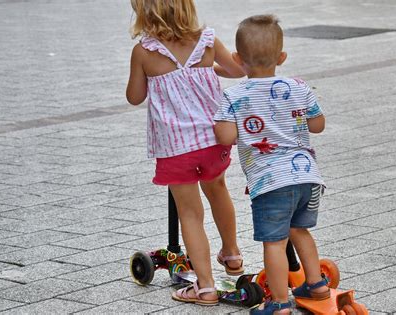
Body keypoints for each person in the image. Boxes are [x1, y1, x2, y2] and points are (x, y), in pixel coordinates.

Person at [126, 0, 246, 306]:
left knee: (190, 213)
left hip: (176, 148)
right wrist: (207, 67)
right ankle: (232, 255)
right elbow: (236, 69)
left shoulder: (144, 51)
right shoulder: (206, 39)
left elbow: (134, 96)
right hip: (213, 139)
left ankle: (204, 287)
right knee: (218, 190)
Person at [214, 15, 330, 314]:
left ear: (238, 59)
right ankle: (316, 284)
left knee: (274, 242)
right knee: (300, 231)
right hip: (307, 176)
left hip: (270, 181)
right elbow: (317, 125)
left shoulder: (234, 94)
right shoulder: (298, 87)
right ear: (282, 57)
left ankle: (279, 302)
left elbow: (225, 136)